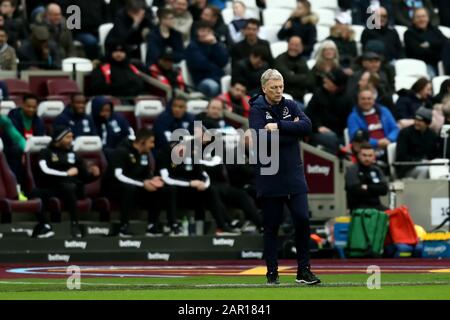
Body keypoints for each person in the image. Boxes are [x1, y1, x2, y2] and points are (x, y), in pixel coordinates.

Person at [248, 69, 320, 285]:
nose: (279, 91)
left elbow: (307, 126)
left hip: (293, 174)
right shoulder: (256, 109)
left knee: (303, 219)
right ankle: (272, 271)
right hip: (270, 175)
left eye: (280, 87)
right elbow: (260, 138)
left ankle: (303, 270)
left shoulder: (290, 105)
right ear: (264, 89)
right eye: (274, 88)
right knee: (271, 225)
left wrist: (278, 127)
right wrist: (291, 130)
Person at [157, 138, 240, 236]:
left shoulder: (191, 155)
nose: (182, 155)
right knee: (171, 190)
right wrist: (190, 183)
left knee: (210, 190)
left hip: (190, 191)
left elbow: (204, 175)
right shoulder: (165, 155)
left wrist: (203, 184)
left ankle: (222, 226)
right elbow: (166, 178)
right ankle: (173, 226)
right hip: (174, 191)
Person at [102, 128, 175, 237]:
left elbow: (145, 175)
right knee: (128, 188)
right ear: (142, 142)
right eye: (151, 142)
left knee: (163, 188)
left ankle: (152, 226)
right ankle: (123, 227)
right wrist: (143, 183)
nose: (153, 146)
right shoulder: (121, 151)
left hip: (136, 186)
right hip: (114, 187)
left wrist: (153, 180)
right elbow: (119, 176)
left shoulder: (144, 155)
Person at [31, 126, 101, 238]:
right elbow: (44, 171)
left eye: (72, 137)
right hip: (55, 187)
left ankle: (75, 225)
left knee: (68, 187)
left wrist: (94, 175)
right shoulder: (46, 152)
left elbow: (84, 176)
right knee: (34, 192)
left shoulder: (74, 154)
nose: (71, 140)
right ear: (59, 139)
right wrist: (66, 174)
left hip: (74, 188)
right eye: (68, 137)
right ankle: (44, 225)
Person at [306, 68, 353, 154]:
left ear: (336, 85)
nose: (324, 80)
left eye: (328, 79)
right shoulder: (318, 93)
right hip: (318, 130)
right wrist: (318, 127)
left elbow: (348, 120)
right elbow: (308, 114)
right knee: (331, 138)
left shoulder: (347, 99)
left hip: (339, 132)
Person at [347, 88, 399, 159]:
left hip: (388, 145)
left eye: (369, 99)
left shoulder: (384, 111)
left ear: (374, 100)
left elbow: (395, 128)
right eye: (363, 99)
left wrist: (389, 139)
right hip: (367, 150)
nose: (366, 101)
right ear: (358, 101)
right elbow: (355, 137)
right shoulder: (353, 117)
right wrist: (377, 142)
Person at [185, 21, 229, 98]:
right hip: (202, 80)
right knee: (213, 86)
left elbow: (223, 61)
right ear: (197, 32)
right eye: (202, 31)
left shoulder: (215, 44)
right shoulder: (192, 46)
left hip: (218, 77)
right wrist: (218, 69)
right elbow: (202, 64)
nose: (205, 34)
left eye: (208, 31)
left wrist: (215, 44)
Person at [396, 107, 439, 179]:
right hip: (408, 167)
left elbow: (434, 154)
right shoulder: (405, 133)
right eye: (416, 120)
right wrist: (420, 161)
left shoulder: (432, 135)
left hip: (428, 164)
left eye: (420, 121)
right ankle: (422, 190)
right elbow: (401, 156)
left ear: (427, 123)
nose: (416, 123)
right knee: (425, 169)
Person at [344, 142, 388, 211]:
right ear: (359, 155)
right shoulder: (352, 170)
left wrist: (367, 187)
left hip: (377, 206)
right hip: (358, 208)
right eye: (364, 155)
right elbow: (356, 190)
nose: (367, 158)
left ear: (374, 156)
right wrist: (375, 188)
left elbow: (384, 189)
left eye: (370, 155)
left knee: (394, 215)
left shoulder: (376, 169)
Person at [404, 7, 446, 78]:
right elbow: (418, 51)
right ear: (413, 20)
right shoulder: (409, 33)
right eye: (418, 17)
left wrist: (429, 44)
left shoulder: (434, 30)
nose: (421, 19)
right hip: (423, 65)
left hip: (441, 62)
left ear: (428, 18)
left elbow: (445, 42)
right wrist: (437, 48)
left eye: (424, 16)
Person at [274, 35, 315, 104]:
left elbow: (310, 81)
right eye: (291, 44)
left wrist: (294, 76)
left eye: (296, 45)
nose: (293, 47)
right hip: (283, 97)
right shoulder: (280, 59)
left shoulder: (302, 60)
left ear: (301, 48)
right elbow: (288, 78)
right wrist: (302, 77)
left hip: (300, 98)